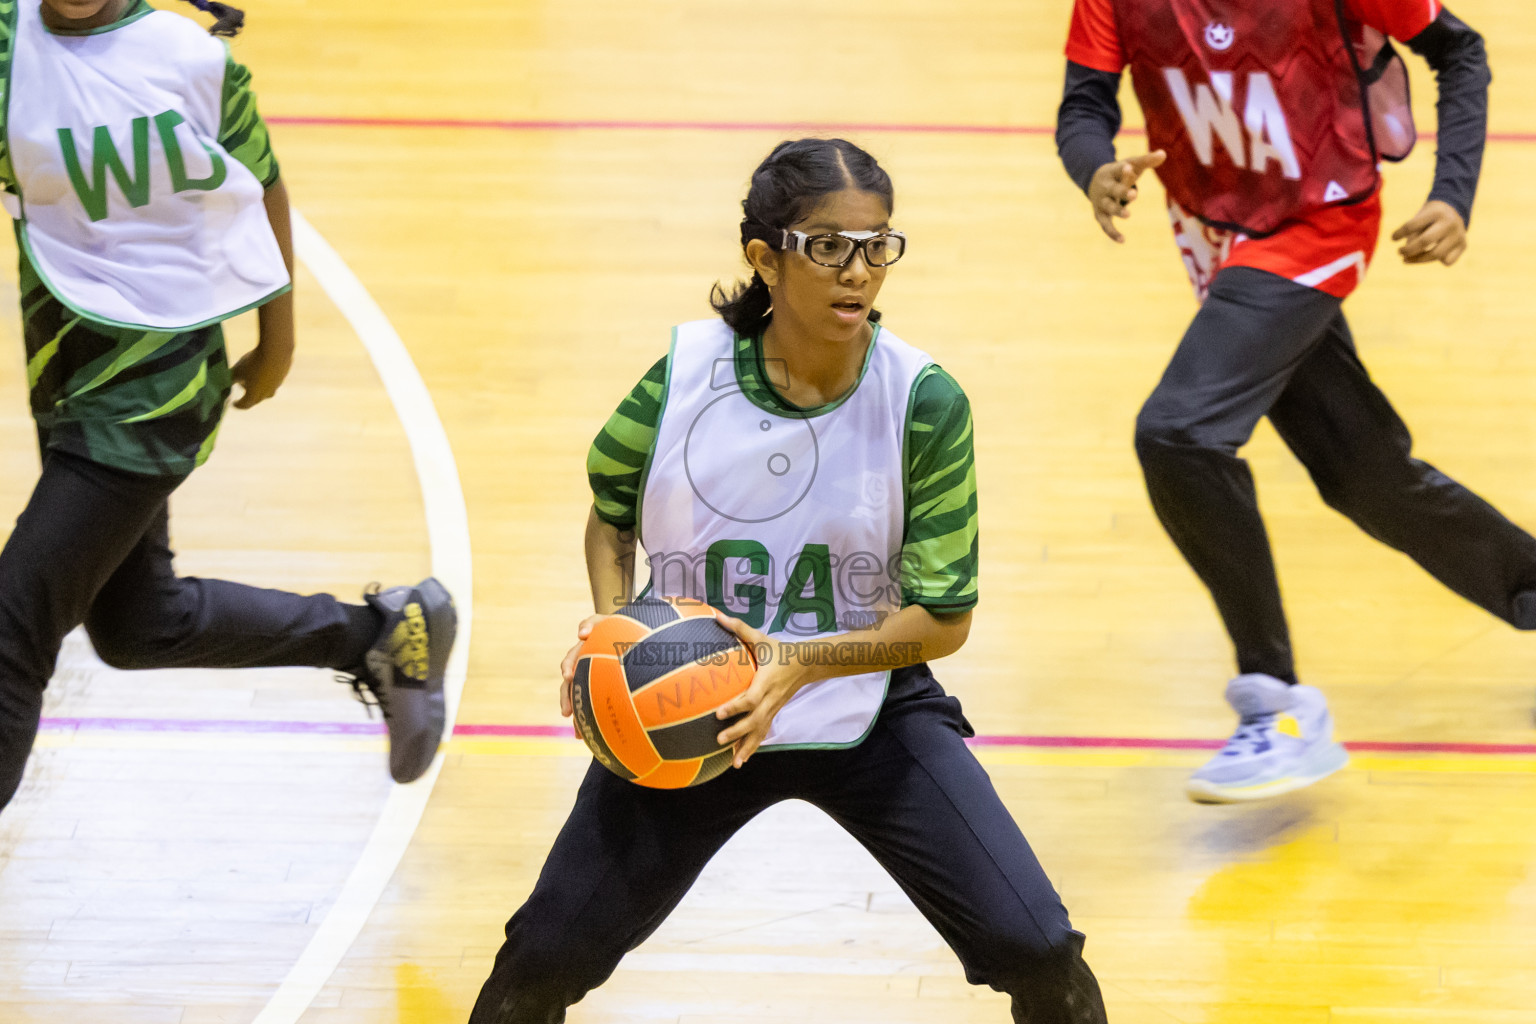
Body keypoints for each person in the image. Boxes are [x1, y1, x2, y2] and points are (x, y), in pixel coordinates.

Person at [468, 138, 1107, 1024]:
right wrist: (615, 637)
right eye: (829, 246)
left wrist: (798, 664)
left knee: (1037, 948)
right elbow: (612, 510)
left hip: (865, 708)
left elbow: (944, 619)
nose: (859, 271)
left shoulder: (922, 400)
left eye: (878, 244)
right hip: (689, 712)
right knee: (540, 958)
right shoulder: (683, 377)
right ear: (764, 257)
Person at [1054, 0, 1528, 803]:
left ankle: (1277, 705)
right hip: (1214, 233)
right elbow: (1084, 102)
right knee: (1366, 475)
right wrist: (1094, 165)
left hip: (1320, 222)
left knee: (1179, 434)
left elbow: (1461, 52)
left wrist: (1454, 194)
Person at [0, 0, 457, 814]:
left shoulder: (191, 62)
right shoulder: (9, 42)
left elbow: (264, 183)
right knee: (140, 624)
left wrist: (276, 336)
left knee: (12, 627)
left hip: (157, 390)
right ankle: (379, 637)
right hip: (67, 377)